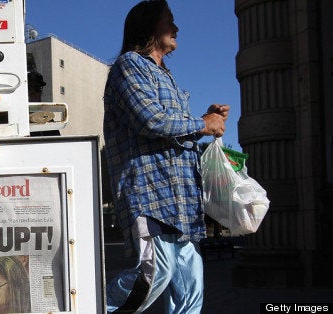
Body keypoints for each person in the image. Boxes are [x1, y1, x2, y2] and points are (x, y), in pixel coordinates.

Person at [103, 1, 229, 313]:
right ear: (149, 26)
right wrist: (202, 125)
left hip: (181, 201)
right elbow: (151, 120)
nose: (177, 29)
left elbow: (172, 129)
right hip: (150, 196)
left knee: (191, 288)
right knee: (152, 275)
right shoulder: (128, 66)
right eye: (169, 20)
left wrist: (205, 118)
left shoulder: (166, 75)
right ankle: (90, 305)